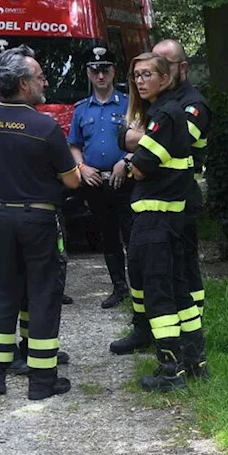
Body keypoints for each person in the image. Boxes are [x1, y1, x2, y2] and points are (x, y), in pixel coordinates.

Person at [0, 45, 81, 400]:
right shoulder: (45, 126)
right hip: (38, 218)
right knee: (43, 296)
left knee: (2, 292)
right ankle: (41, 382)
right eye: (39, 77)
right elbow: (72, 181)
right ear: (23, 84)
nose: (44, 82)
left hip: (0, 215)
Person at [111, 39, 211, 379]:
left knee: (160, 291)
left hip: (159, 214)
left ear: (167, 76)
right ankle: (195, 364)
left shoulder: (168, 114)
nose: (140, 81)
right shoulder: (165, 111)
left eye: (148, 74)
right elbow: (130, 143)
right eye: (136, 75)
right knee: (177, 287)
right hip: (167, 211)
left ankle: (170, 371)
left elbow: (141, 166)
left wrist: (130, 159)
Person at [68, 44, 133, 309]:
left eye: (105, 70)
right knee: (108, 237)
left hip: (126, 179)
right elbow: (74, 144)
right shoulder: (81, 109)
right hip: (96, 182)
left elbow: (145, 141)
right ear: (88, 74)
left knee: (132, 234)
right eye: (95, 71)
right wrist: (81, 168)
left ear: (114, 71)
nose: (101, 76)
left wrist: (126, 161)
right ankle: (120, 287)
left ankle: (141, 286)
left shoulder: (130, 105)